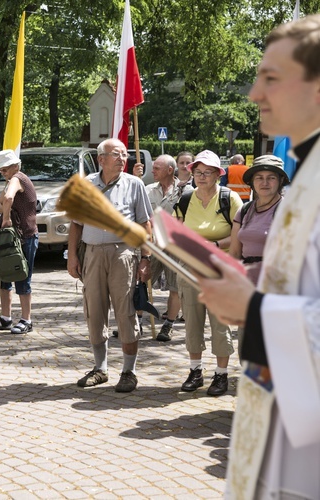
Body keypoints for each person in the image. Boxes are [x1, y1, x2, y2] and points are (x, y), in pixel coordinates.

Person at [197, 15, 320, 499]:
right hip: (277, 403)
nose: (254, 93)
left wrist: (254, 306)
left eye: (271, 78)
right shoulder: (308, 171)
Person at [67, 138, 153, 393]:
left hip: (124, 254)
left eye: (124, 154)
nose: (122, 159)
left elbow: (145, 224)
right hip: (91, 254)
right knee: (94, 310)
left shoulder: (134, 184)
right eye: (116, 154)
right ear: (101, 159)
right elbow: (76, 224)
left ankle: (129, 371)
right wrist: (72, 256)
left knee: (126, 312)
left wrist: (146, 257)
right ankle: (100, 369)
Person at [173, 150, 242, 397]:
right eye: (198, 172)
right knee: (192, 320)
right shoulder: (185, 199)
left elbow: (239, 234)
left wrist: (214, 245)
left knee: (219, 323)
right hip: (191, 268)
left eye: (208, 172)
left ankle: (221, 375)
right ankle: (195, 371)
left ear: (218, 175)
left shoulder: (229, 198)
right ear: (191, 173)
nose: (202, 177)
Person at [228, 155, 288, 362]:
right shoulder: (244, 210)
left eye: (271, 177)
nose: (264, 182)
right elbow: (235, 252)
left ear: (280, 181)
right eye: (259, 177)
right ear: (252, 182)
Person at [145, 154, 193, 341]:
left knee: (175, 286)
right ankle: (138, 321)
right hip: (152, 245)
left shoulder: (186, 191)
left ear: (169, 170)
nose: (153, 171)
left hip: (174, 246)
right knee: (142, 283)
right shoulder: (148, 190)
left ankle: (168, 325)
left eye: (157, 168)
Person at [0, 149, 38, 334]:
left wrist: (5, 219)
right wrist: (4, 207)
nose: (2, 173)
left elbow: (8, 198)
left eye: (4, 170)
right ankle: (6, 317)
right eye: (1, 171)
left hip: (24, 236)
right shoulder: (10, 181)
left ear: (14, 166)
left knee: (22, 277)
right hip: (13, 238)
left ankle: (26, 319)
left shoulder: (17, 179)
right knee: (4, 275)